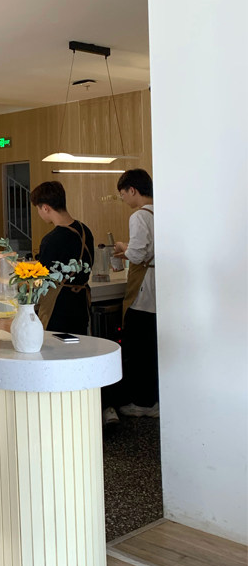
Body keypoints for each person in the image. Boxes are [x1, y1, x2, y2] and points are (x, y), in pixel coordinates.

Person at [112, 168, 158, 418]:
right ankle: (156, 399)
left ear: (132, 190)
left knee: (139, 348)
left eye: (123, 194)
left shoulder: (139, 216)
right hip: (160, 286)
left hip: (144, 290)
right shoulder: (163, 211)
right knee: (154, 347)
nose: (123, 199)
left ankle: (143, 402)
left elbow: (139, 255)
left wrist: (124, 249)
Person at [29, 180, 94, 334]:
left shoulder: (52, 239)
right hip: (81, 305)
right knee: (80, 346)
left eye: (38, 208)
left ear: (45, 208)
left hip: (59, 308)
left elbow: (42, 279)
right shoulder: (85, 230)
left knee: (57, 347)